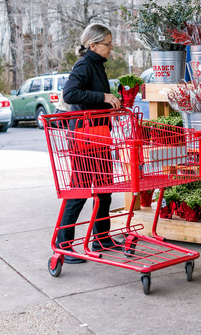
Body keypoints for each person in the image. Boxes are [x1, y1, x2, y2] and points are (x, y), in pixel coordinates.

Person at [57, 23, 121, 264]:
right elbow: (70, 94)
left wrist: (110, 106)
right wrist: (103, 97)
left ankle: (101, 239)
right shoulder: (84, 65)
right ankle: (64, 245)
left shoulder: (97, 66)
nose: (111, 47)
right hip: (85, 139)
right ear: (92, 45)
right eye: (107, 43)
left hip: (100, 135)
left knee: (105, 191)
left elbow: (92, 101)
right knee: (79, 193)